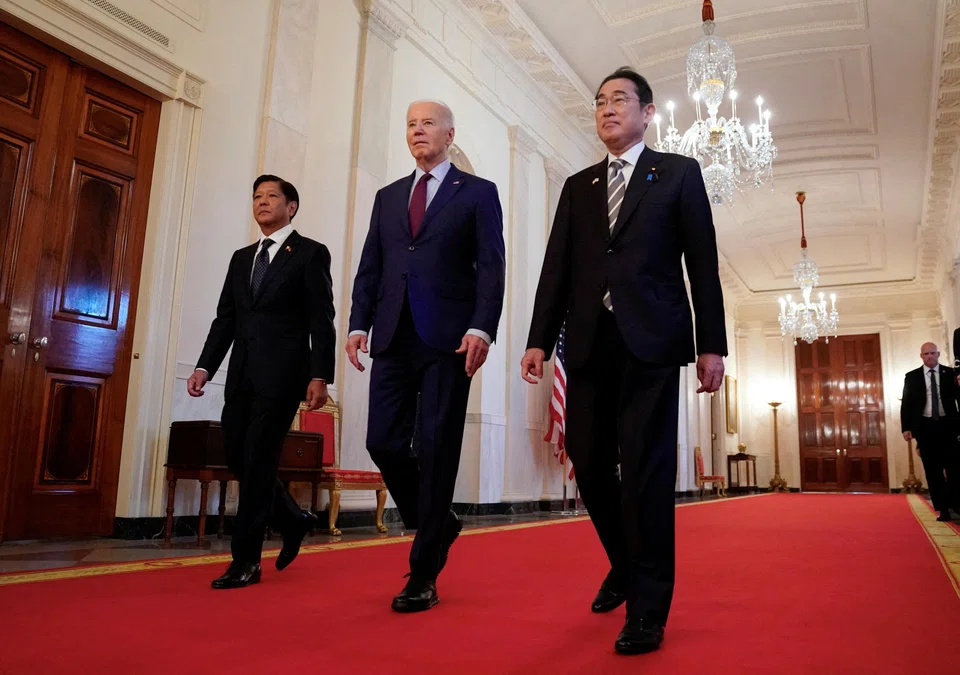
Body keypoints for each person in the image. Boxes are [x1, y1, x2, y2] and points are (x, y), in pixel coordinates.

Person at [521, 67, 727, 655]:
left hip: (654, 342)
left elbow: (702, 264)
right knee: (588, 462)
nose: (608, 109)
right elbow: (556, 268)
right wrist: (538, 338)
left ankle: (647, 609)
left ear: (647, 112)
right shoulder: (579, 185)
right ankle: (624, 562)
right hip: (588, 342)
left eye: (620, 100)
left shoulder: (679, 174)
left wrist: (712, 343)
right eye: (600, 102)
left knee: (644, 470)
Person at [346, 99, 505, 612]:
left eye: (427, 123)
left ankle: (422, 573)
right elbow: (372, 265)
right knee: (383, 442)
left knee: (437, 449)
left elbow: (491, 265)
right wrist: (356, 324)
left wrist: (482, 326)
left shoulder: (477, 193)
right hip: (392, 334)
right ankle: (440, 523)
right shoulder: (388, 197)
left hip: (449, 339)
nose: (417, 131)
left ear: (449, 133)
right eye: (410, 124)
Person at [187, 174, 336, 589]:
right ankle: (293, 519)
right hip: (241, 375)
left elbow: (321, 320)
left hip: (284, 376)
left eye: (272, 196)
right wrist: (204, 367)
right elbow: (226, 320)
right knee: (238, 457)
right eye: (257, 197)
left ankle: (246, 561)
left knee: (259, 461)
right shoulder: (241, 258)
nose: (262, 202)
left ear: (291, 207)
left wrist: (319, 375)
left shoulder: (309, 254)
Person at [900, 342, 960, 521]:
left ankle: (953, 503)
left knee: (954, 469)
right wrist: (906, 428)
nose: (930, 356)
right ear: (921, 356)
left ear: (938, 354)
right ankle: (943, 509)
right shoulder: (912, 377)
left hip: (948, 426)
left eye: (933, 353)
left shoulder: (951, 375)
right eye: (926, 354)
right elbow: (907, 404)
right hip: (926, 428)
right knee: (933, 472)